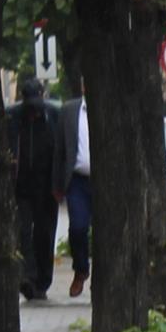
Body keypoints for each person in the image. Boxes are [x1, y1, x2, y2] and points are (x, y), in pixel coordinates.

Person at [9, 74, 63, 301]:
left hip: (46, 186)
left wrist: (59, 184)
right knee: (22, 232)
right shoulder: (12, 117)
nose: (33, 112)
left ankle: (43, 280)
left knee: (44, 233)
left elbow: (61, 151)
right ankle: (27, 278)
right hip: (21, 187)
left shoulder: (53, 116)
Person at [64, 96, 94, 297]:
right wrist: (58, 183)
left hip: (106, 180)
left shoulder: (113, 106)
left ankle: (104, 278)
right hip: (77, 180)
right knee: (77, 227)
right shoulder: (69, 111)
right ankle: (81, 269)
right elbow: (61, 147)